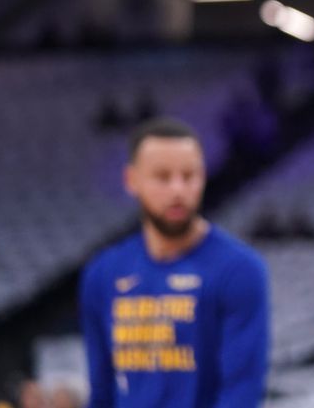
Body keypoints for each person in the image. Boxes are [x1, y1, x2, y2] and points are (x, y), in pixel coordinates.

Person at [78, 118, 269, 407]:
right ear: (132, 180)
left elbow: (240, 394)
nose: (178, 190)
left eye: (189, 176)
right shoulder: (103, 273)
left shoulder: (239, 270)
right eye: (163, 177)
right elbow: (102, 392)